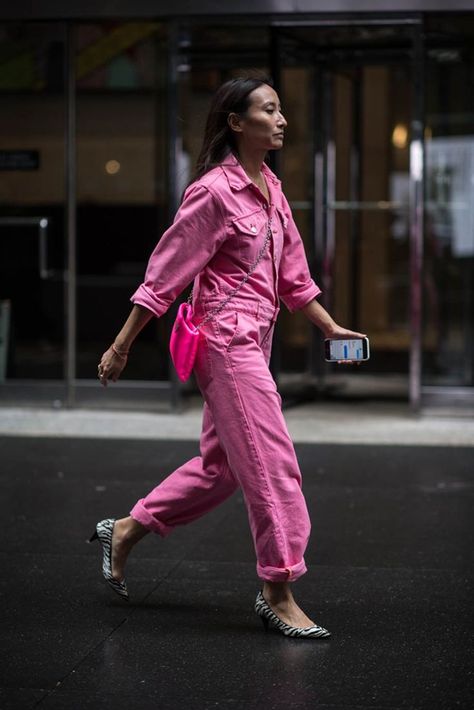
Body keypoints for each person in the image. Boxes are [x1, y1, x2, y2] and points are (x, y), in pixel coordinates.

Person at [91, 76, 366, 639]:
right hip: (223, 342)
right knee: (272, 462)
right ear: (237, 122)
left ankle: (124, 530)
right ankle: (278, 589)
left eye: (282, 109)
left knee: (220, 471)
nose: (282, 119)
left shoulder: (272, 188)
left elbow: (294, 280)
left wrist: (332, 328)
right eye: (270, 110)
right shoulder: (214, 192)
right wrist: (121, 345)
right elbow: (163, 275)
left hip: (255, 342)